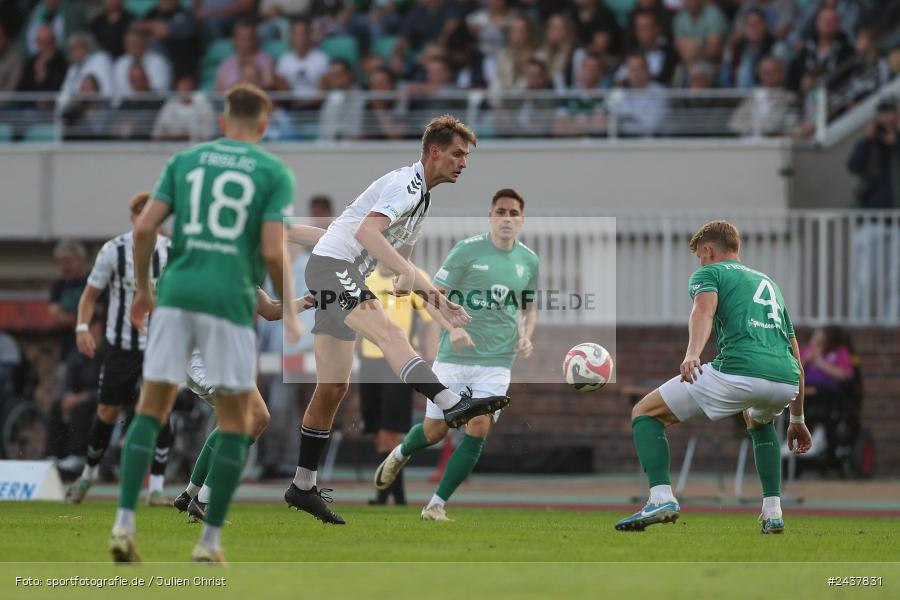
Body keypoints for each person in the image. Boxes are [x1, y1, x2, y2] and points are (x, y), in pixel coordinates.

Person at [108, 83, 301, 564]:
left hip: (176, 295)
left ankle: (124, 524)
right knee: (238, 422)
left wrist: (144, 290)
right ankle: (208, 543)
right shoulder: (273, 172)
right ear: (263, 125)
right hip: (227, 302)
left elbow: (145, 228)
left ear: (221, 121)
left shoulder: (186, 161)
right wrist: (291, 311)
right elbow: (273, 250)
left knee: (150, 411)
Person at [284, 114, 509, 525]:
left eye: (466, 156)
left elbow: (398, 262)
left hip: (337, 271)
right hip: (334, 269)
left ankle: (302, 485)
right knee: (389, 332)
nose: (463, 163)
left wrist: (439, 300)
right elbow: (368, 234)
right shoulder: (407, 184)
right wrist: (403, 271)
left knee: (333, 388)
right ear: (434, 152)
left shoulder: (422, 200)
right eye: (457, 154)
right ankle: (450, 401)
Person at [615, 220, 811, 534]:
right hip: (785, 380)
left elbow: (703, 311)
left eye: (700, 257)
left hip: (739, 371)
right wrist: (797, 418)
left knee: (645, 413)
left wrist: (692, 353)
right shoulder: (769, 284)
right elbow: (797, 358)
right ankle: (773, 511)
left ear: (708, 249)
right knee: (758, 420)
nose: (700, 263)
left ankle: (661, 497)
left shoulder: (711, 273)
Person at [374, 188, 538, 521]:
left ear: (522, 219)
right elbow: (431, 298)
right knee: (434, 432)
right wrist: (452, 329)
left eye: (513, 213)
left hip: (497, 363)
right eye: (501, 212)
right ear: (490, 216)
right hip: (454, 359)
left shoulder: (528, 261)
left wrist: (526, 336)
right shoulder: (467, 250)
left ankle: (436, 505)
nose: (507, 219)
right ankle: (402, 452)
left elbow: (528, 307)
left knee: (478, 427)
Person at [64, 193, 173, 506]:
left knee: (161, 411)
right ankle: (89, 474)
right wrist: (82, 328)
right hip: (121, 346)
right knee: (107, 412)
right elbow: (89, 296)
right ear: (132, 218)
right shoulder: (114, 250)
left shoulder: (172, 251)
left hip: (158, 345)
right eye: (142, 215)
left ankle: (156, 487)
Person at [362, 262, 437, 506]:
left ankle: (383, 495)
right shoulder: (365, 278)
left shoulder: (413, 277)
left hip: (399, 362)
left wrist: (430, 358)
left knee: (390, 432)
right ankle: (398, 496)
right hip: (369, 362)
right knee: (377, 432)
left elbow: (430, 320)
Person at [846, 97, 900, 321]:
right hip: (871, 221)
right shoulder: (868, 143)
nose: (886, 118)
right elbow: (853, 165)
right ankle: (860, 323)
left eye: (891, 113)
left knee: (896, 279)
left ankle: (893, 323)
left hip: (897, 222)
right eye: (883, 113)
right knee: (866, 278)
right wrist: (869, 139)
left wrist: (894, 142)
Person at [49, 239, 90, 358]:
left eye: (68, 261)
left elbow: (99, 312)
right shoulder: (59, 286)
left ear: (81, 260)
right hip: (67, 348)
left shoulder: (93, 283)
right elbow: (54, 318)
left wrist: (66, 316)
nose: (64, 267)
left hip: (92, 347)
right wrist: (81, 317)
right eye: (60, 262)